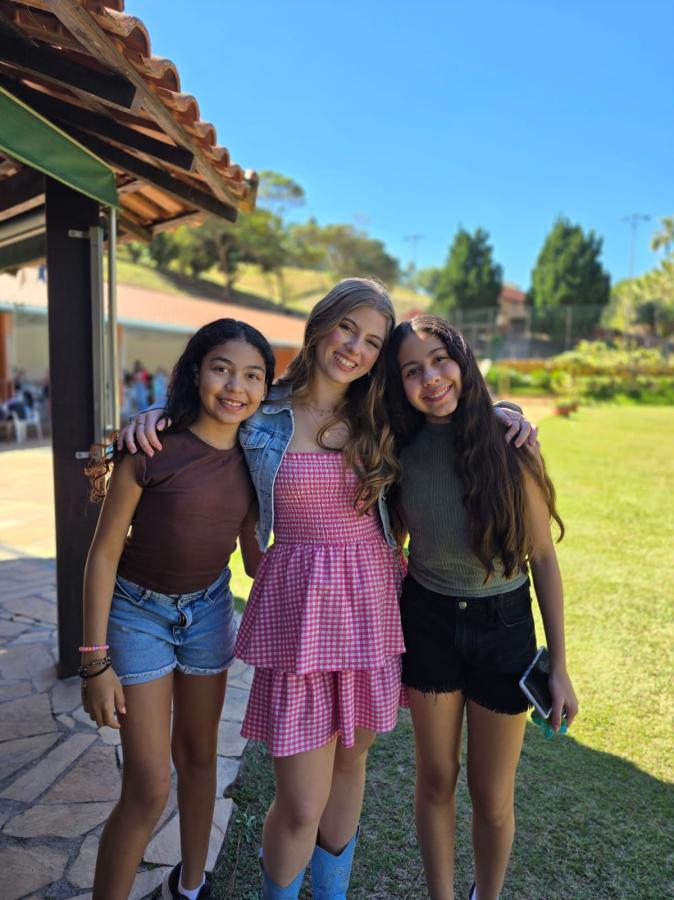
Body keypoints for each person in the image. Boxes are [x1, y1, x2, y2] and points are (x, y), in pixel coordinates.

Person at [119, 281, 534, 900]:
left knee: (349, 765)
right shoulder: (262, 410)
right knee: (300, 802)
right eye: (347, 328)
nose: (355, 348)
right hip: (300, 610)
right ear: (321, 324)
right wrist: (155, 416)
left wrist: (508, 411)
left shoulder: (384, 414)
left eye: (372, 341)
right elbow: (206, 414)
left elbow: (450, 404)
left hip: (371, 603)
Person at [385, 315, 579, 900]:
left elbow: (543, 558)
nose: (430, 378)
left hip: (504, 628)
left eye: (439, 360)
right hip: (428, 623)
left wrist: (560, 667)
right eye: (412, 370)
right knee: (436, 781)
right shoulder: (399, 450)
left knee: (492, 797)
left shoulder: (509, 444)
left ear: (463, 361)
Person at [81, 318, 274, 900]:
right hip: (137, 615)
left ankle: (190, 887)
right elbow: (104, 552)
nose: (236, 386)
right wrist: (94, 660)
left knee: (199, 758)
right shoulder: (151, 447)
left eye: (254, 375)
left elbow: (252, 557)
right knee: (147, 786)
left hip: (209, 612)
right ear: (195, 371)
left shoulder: (256, 455)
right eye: (222, 368)